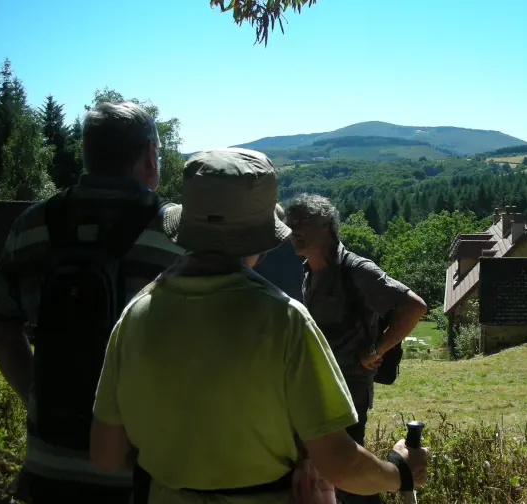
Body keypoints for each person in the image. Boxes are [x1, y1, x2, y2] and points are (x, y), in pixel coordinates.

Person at [89, 148, 429, 504]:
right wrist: (400, 473)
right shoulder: (283, 319)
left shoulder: (137, 313)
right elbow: (339, 464)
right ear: (261, 235)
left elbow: (107, 453)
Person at [0, 101, 185, 504]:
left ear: (88, 154)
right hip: (144, 475)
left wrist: (38, 398)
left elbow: (0, 331)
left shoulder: (32, 226)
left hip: (49, 466)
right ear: (149, 154)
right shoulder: (177, 232)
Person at [283, 194, 428, 504]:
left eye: (300, 224)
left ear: (325, 226)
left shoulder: (356, 269)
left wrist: (377, 351)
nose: (291, 231)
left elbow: (414, 307)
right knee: (327, 473)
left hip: (348, 389)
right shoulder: (310, 271)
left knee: (349, 473)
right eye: (288, 223)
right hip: (317, 388)